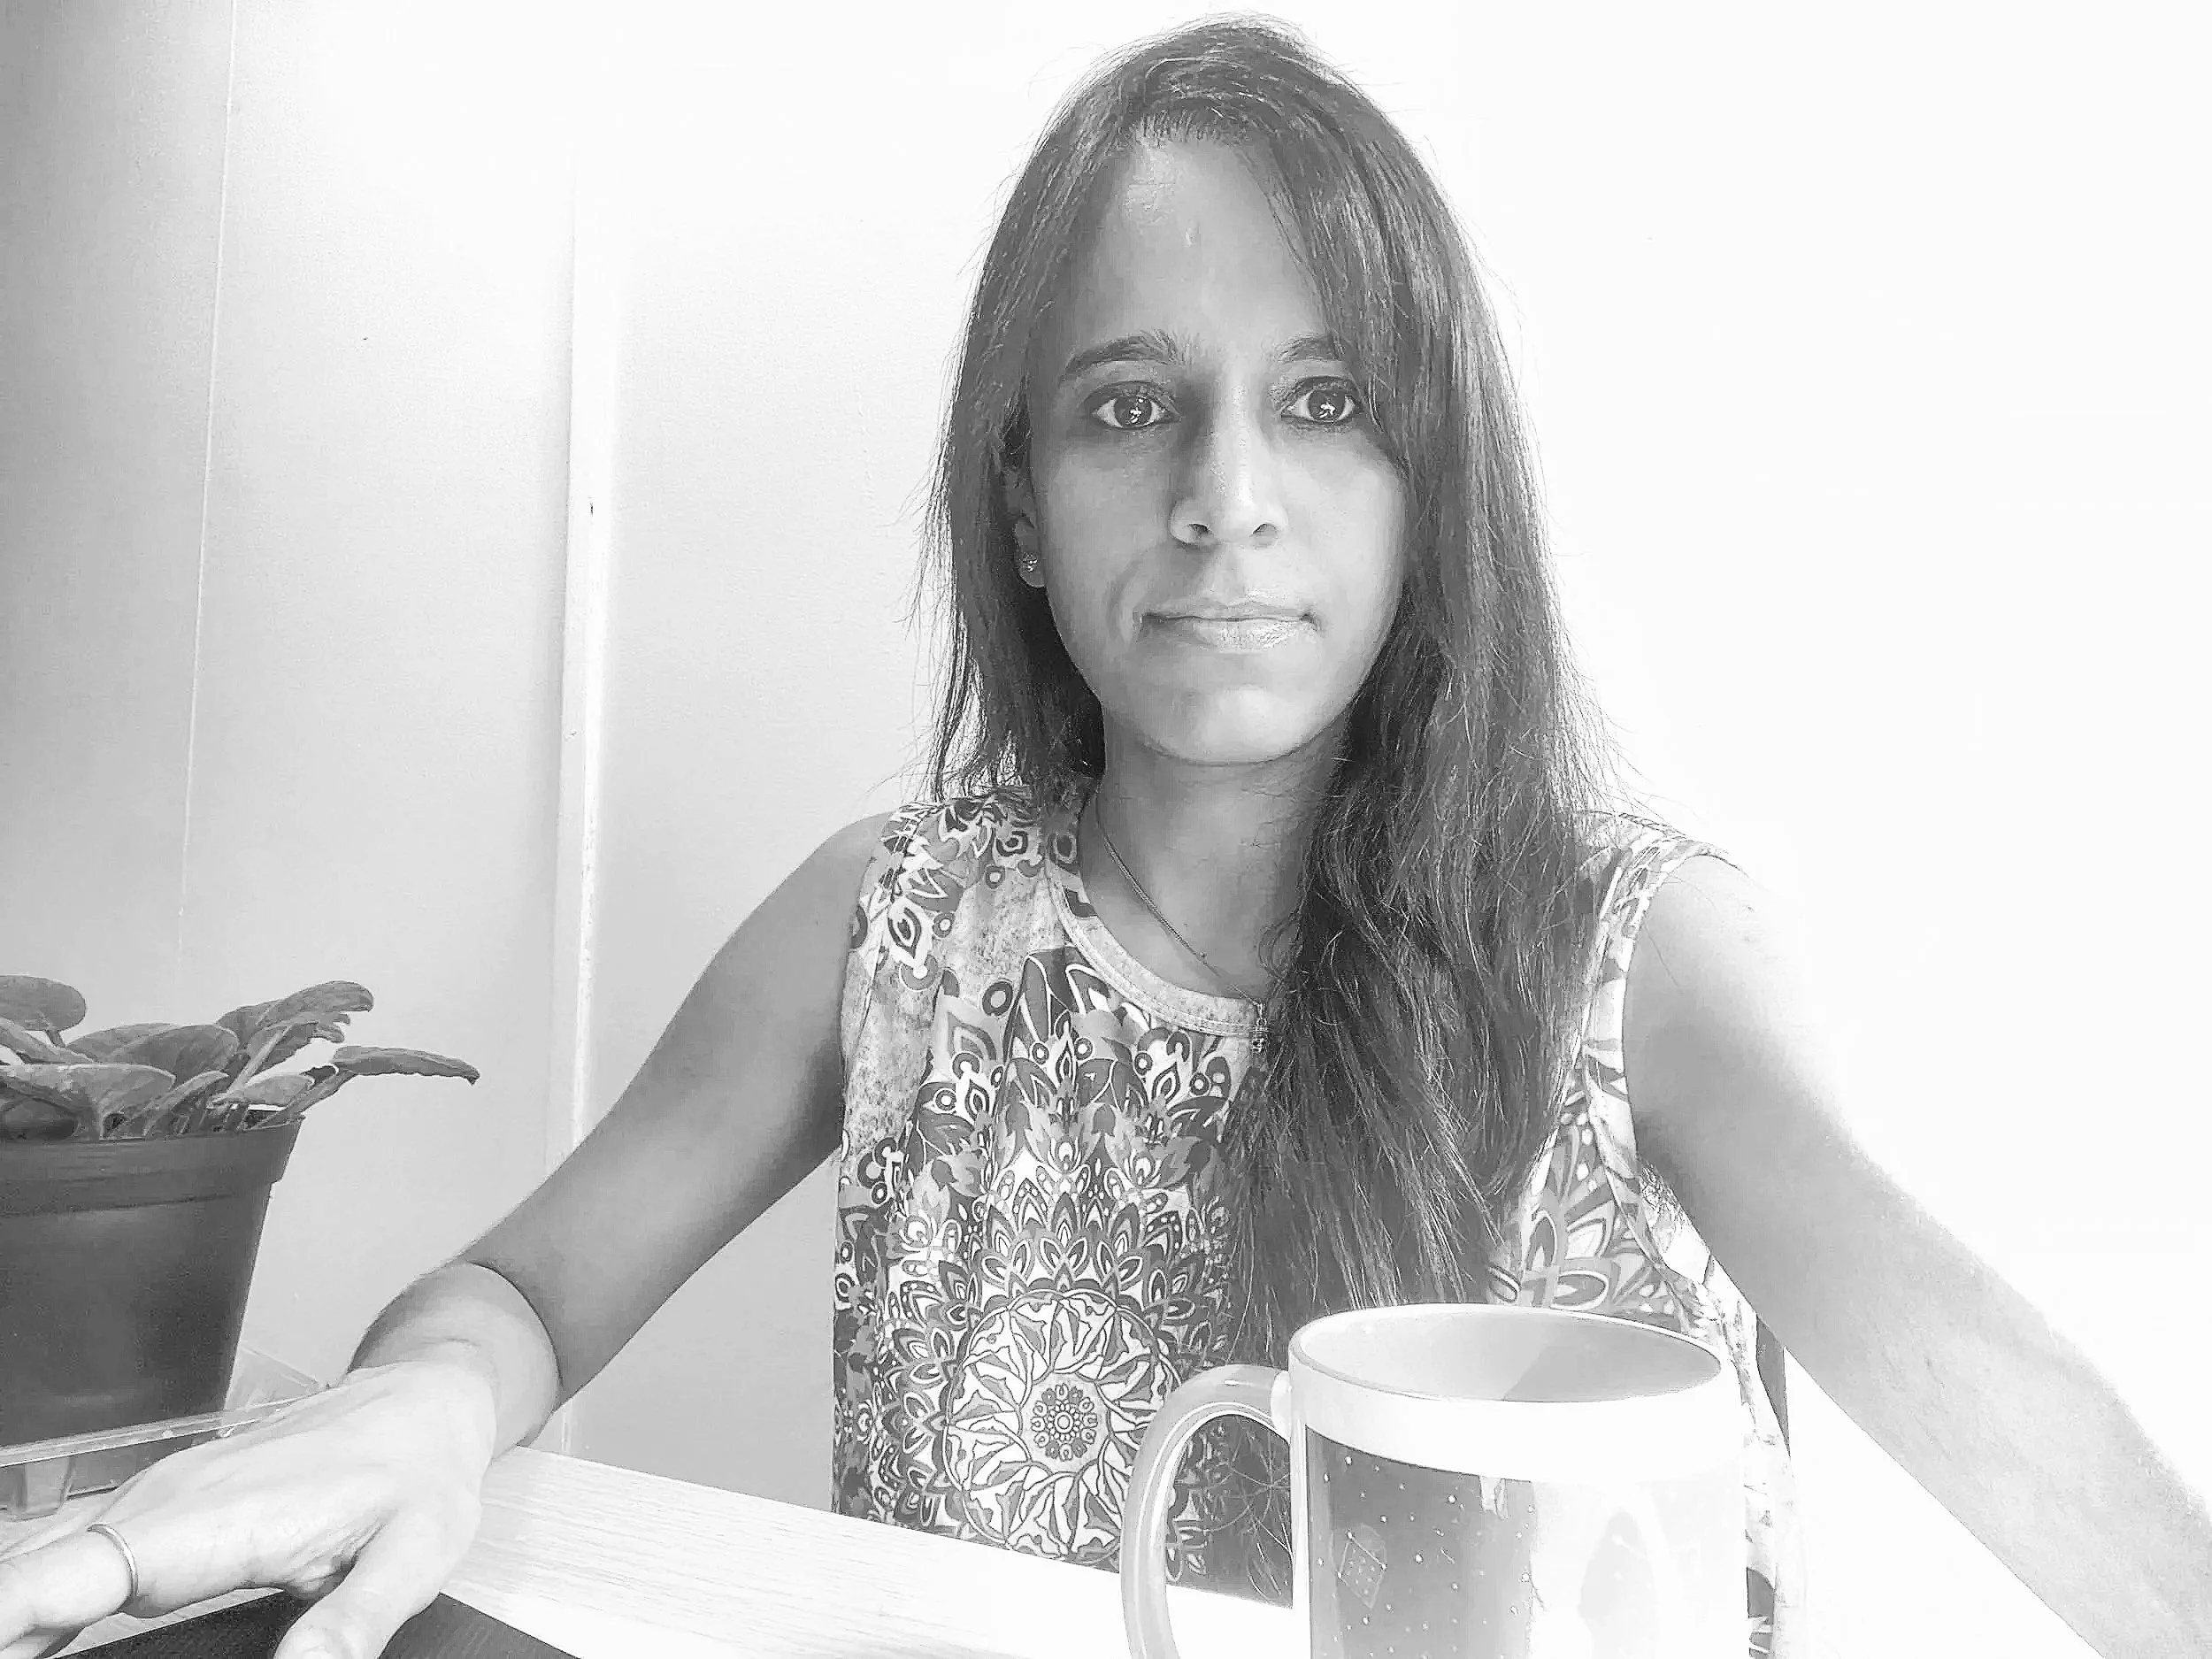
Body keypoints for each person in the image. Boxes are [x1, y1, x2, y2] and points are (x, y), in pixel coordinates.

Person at [4, 19, 2208, 1659]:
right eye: (1128, 403)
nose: (1223, 494)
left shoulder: (1632, 952)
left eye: (1326, 404)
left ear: (1429, 488)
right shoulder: (891, 928)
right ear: (1023, 515)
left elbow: (1999, 1404)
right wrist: (427, 1408)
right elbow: (514, 1289)